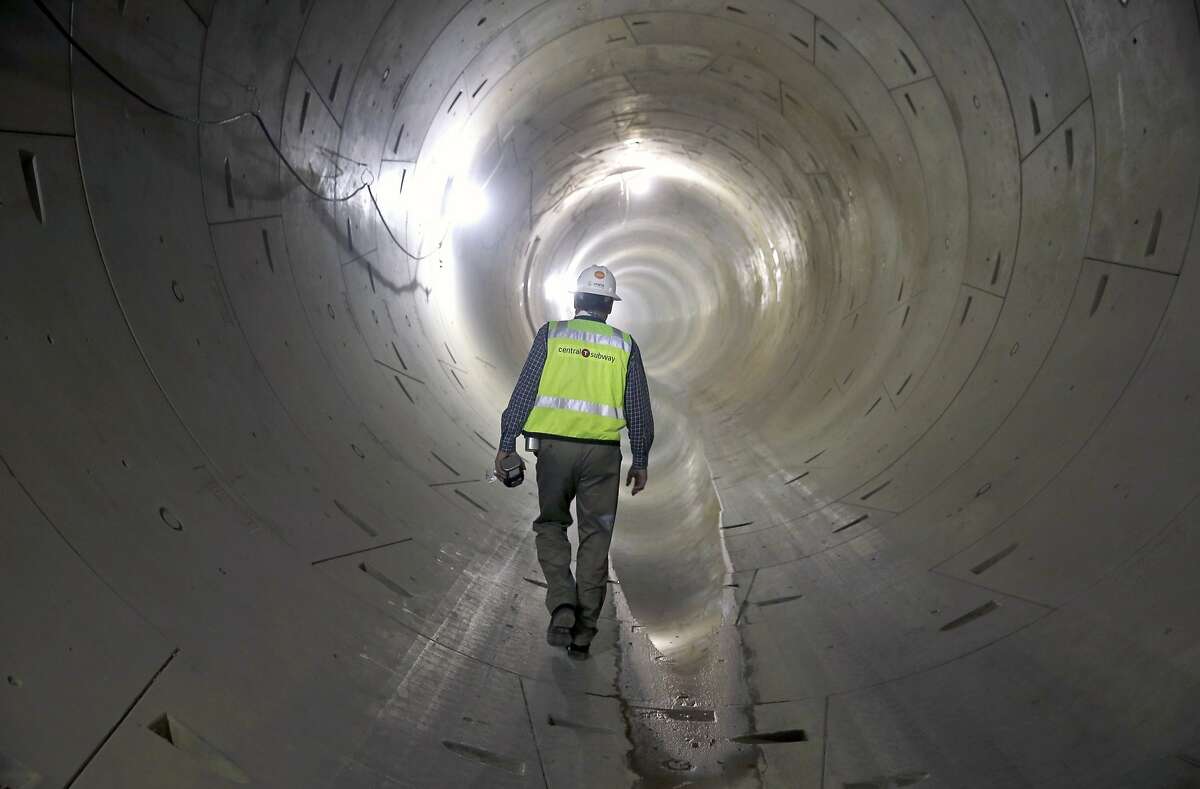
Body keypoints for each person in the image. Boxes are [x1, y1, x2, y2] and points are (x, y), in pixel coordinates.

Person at [496, 265, 654, 660]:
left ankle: (562, 602)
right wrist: (641, 458)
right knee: (595, 538)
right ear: (609, 307)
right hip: (601, 457)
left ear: (577, 301)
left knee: (551, 524)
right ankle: (583, 636)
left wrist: (506, 442)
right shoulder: (624, 345)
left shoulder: (552, 334)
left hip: (553, 451)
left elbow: (525, 391)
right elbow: (638, 409)